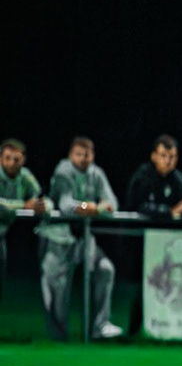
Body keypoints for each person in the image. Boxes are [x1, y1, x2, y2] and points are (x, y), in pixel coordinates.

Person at [39, 136, 122, 340]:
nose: (83, 159)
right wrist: (87, 207)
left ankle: (99, 326)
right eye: (78, 154)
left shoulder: (97, 173)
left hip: (84, 237)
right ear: (70, 155)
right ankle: (58, 337)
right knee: (57, 288)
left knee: (105, 269)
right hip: (58, 237)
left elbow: (111, 203)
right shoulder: (63, 171)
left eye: (87, 154)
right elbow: (65, 204)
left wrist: (97, 208)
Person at [1, 138, 47, 298]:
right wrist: (23, 205)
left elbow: (39, 197)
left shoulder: (24, 175)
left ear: (23, 160)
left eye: (16, 159)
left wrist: (40, 205)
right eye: (7, 158)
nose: (12, 162)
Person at [126, 135, 182, 221]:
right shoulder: (143, 176)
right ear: (153, 156)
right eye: (163, 156)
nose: (167, 161)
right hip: (143, 230)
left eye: (172, 157)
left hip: (170, 231)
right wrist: (170, 211)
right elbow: (137, 206)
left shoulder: (178, 179)